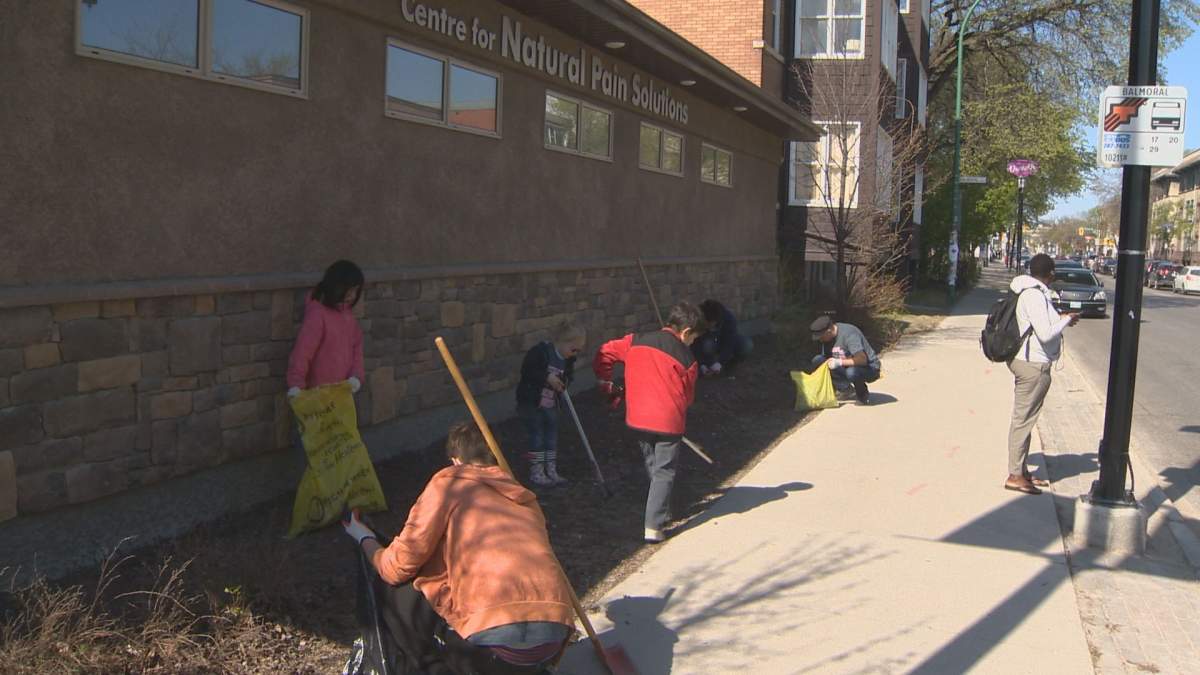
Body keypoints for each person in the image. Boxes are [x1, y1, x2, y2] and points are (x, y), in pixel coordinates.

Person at [341, 422, 575, 674]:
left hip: (493, 639)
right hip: (552, 637)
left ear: (455, 460)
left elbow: (397, 565)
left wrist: (364, 537)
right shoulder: (522, 497)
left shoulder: (448, 486)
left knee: (397, 592)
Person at [593, 302, 703, 543]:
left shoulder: (635, 341)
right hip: (668, 422)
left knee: (652, 463)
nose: (692, 343)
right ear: (685, 332)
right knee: (665, 471)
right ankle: (654, 525)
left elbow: (605, 352)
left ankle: (661, 507)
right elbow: (688, 397)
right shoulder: (687, 358)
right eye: (693, 338)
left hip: (638, 417)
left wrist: (605, 380)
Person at [1005, 254, 1080, 495]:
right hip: (1032, 365)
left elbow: (1041, 326)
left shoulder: (1031, 292)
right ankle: (1015, 475)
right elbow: (1046, 334)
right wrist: (1066, 320)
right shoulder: (1033, 295)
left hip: (1030, 361)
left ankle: (1022, 470)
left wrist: (1060, 319)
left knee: (1027, 419)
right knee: (1023, 420)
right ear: (1050, 274)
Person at [516, 322, 586, 487]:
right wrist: (547, 377)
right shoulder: (540, 353)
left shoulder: (568, 361)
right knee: (537, 437)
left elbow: (569, 377)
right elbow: (528, 370)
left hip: (551, 404)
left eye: (578, 350)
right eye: (573, 349)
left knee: (551, 437)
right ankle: (537, 470)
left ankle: (551, 469)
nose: (574, 354)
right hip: (532, 403)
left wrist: (564, 382)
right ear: (561, 342)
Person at [286, 260, 366, 398]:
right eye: (348, 289)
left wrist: (356, 376)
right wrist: (296, 384)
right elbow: (302, 352)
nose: (352, 295)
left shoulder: (349, 318)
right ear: (334, 286)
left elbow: (356, 350)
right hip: (317, 395)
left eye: (355, 291)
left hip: (343, 393)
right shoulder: (318, 315)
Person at [809, 315, 881, 404]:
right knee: (818, 360)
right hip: (846, 366)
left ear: (829, 331)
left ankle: (862, 394)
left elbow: (862, 360)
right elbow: (828, 360)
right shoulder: (827, 339)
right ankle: (846, 389)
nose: (820, 340)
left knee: (852, 372)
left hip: (869, 367)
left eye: (821, 337)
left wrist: (839, 362)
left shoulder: (849, 334)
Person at [692, 299, 753, 376]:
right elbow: (695, 344)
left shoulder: (729, 318)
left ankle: (729, 365)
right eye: (707, 324)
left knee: (746, 345)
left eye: (711, 324)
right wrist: (701, 364)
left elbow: (730, 343)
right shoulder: (698, 320)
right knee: (708, 344)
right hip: (707, 345)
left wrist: (720, 362)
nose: (709, 326)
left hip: (722, 342)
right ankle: (708, 364)